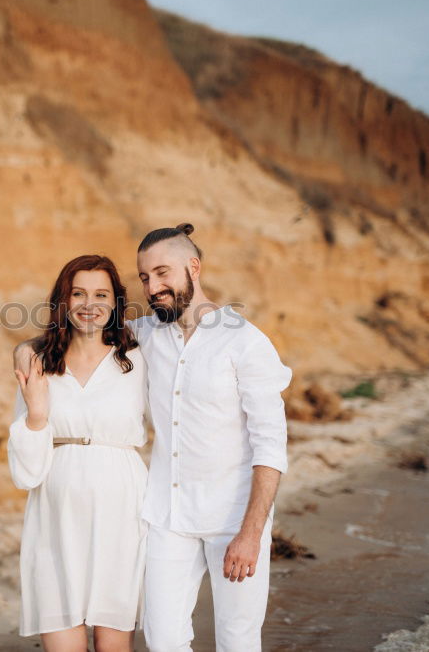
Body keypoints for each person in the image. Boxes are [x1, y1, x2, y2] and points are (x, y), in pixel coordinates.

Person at [130, 223, 293, 651]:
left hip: (233, 519)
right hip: (168, 516)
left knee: (237, 639)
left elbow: (271, 447)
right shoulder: (145, 334)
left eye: (163, 273)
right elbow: (79, 336)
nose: (153, 286)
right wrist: (26, 348)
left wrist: (251, 533)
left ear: (194, 267)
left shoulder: (246, 342)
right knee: (162, 638)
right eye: (145, 277)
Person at [8, 253, 149, 652]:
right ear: (64, 301)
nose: (90, 304)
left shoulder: (138, 358)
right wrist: (37, 413)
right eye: (79, 293)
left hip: (123, 509)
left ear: (116, 303)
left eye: (102, 294)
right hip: (56, 514)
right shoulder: (38, 362)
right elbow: (26, 474)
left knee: (114, 644)